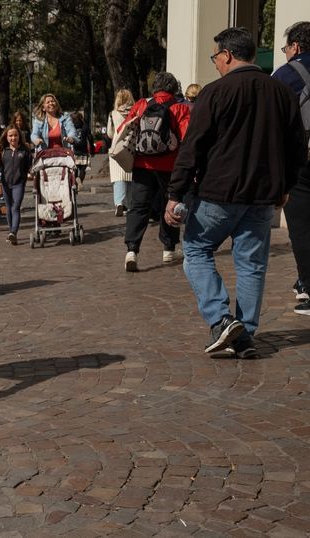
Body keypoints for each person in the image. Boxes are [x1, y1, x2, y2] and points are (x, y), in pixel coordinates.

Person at [167, 26, 305, 358]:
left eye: (216, 57)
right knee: (252, 264)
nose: (215, 63)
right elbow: (298, 147)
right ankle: (244, 336)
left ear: (227, 55)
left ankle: (221, 319)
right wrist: (285, 186)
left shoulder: (214, 93)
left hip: (219, 192)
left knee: (197, 250)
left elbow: (193, 147)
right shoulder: (281, 92)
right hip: (263, 196)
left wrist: (175, 192)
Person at [119, 72, 191, 271]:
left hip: (142, 165)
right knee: (170, 205)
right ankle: (169, 248)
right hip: (170, 167)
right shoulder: (179, 108)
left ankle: (131, 250)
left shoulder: (142, 104)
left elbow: (123, 131)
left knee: (138, 207)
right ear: (173, 89)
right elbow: (187, 138)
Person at [272, 21, 310, 313]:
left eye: (285, 47)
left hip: (302, 159)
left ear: (295, 47)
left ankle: (308, 286)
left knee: (301, 225)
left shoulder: (285, 75)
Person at [0, 125, 32, 245]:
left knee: (15, 207)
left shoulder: (24, 150)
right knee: (8, 207)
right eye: (10, 135)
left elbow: (29, 165)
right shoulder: (2, 151)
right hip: (6, 183)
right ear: (6, 137)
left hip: (19, 183)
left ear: (19, 136)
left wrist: (31, 172)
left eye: (15, 135)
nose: (13, 138)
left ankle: (13, 232)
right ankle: (11, 232)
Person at [107, 89, 135, 216]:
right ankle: (129, 205)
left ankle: (119, 203)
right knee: (129, 178)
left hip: (116, 149)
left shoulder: (113, 114)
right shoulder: (135, 113)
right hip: (131, 147)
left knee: (118, 178)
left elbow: (110, 133)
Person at [70, 112, 93, 188]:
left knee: (75, 169)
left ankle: (76, 181)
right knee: (83, 169)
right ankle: (80, 180)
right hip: (84, 151)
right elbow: (90, 138)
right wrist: (92, 149)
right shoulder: (85, 126)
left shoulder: (71, 127)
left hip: (74, 151)